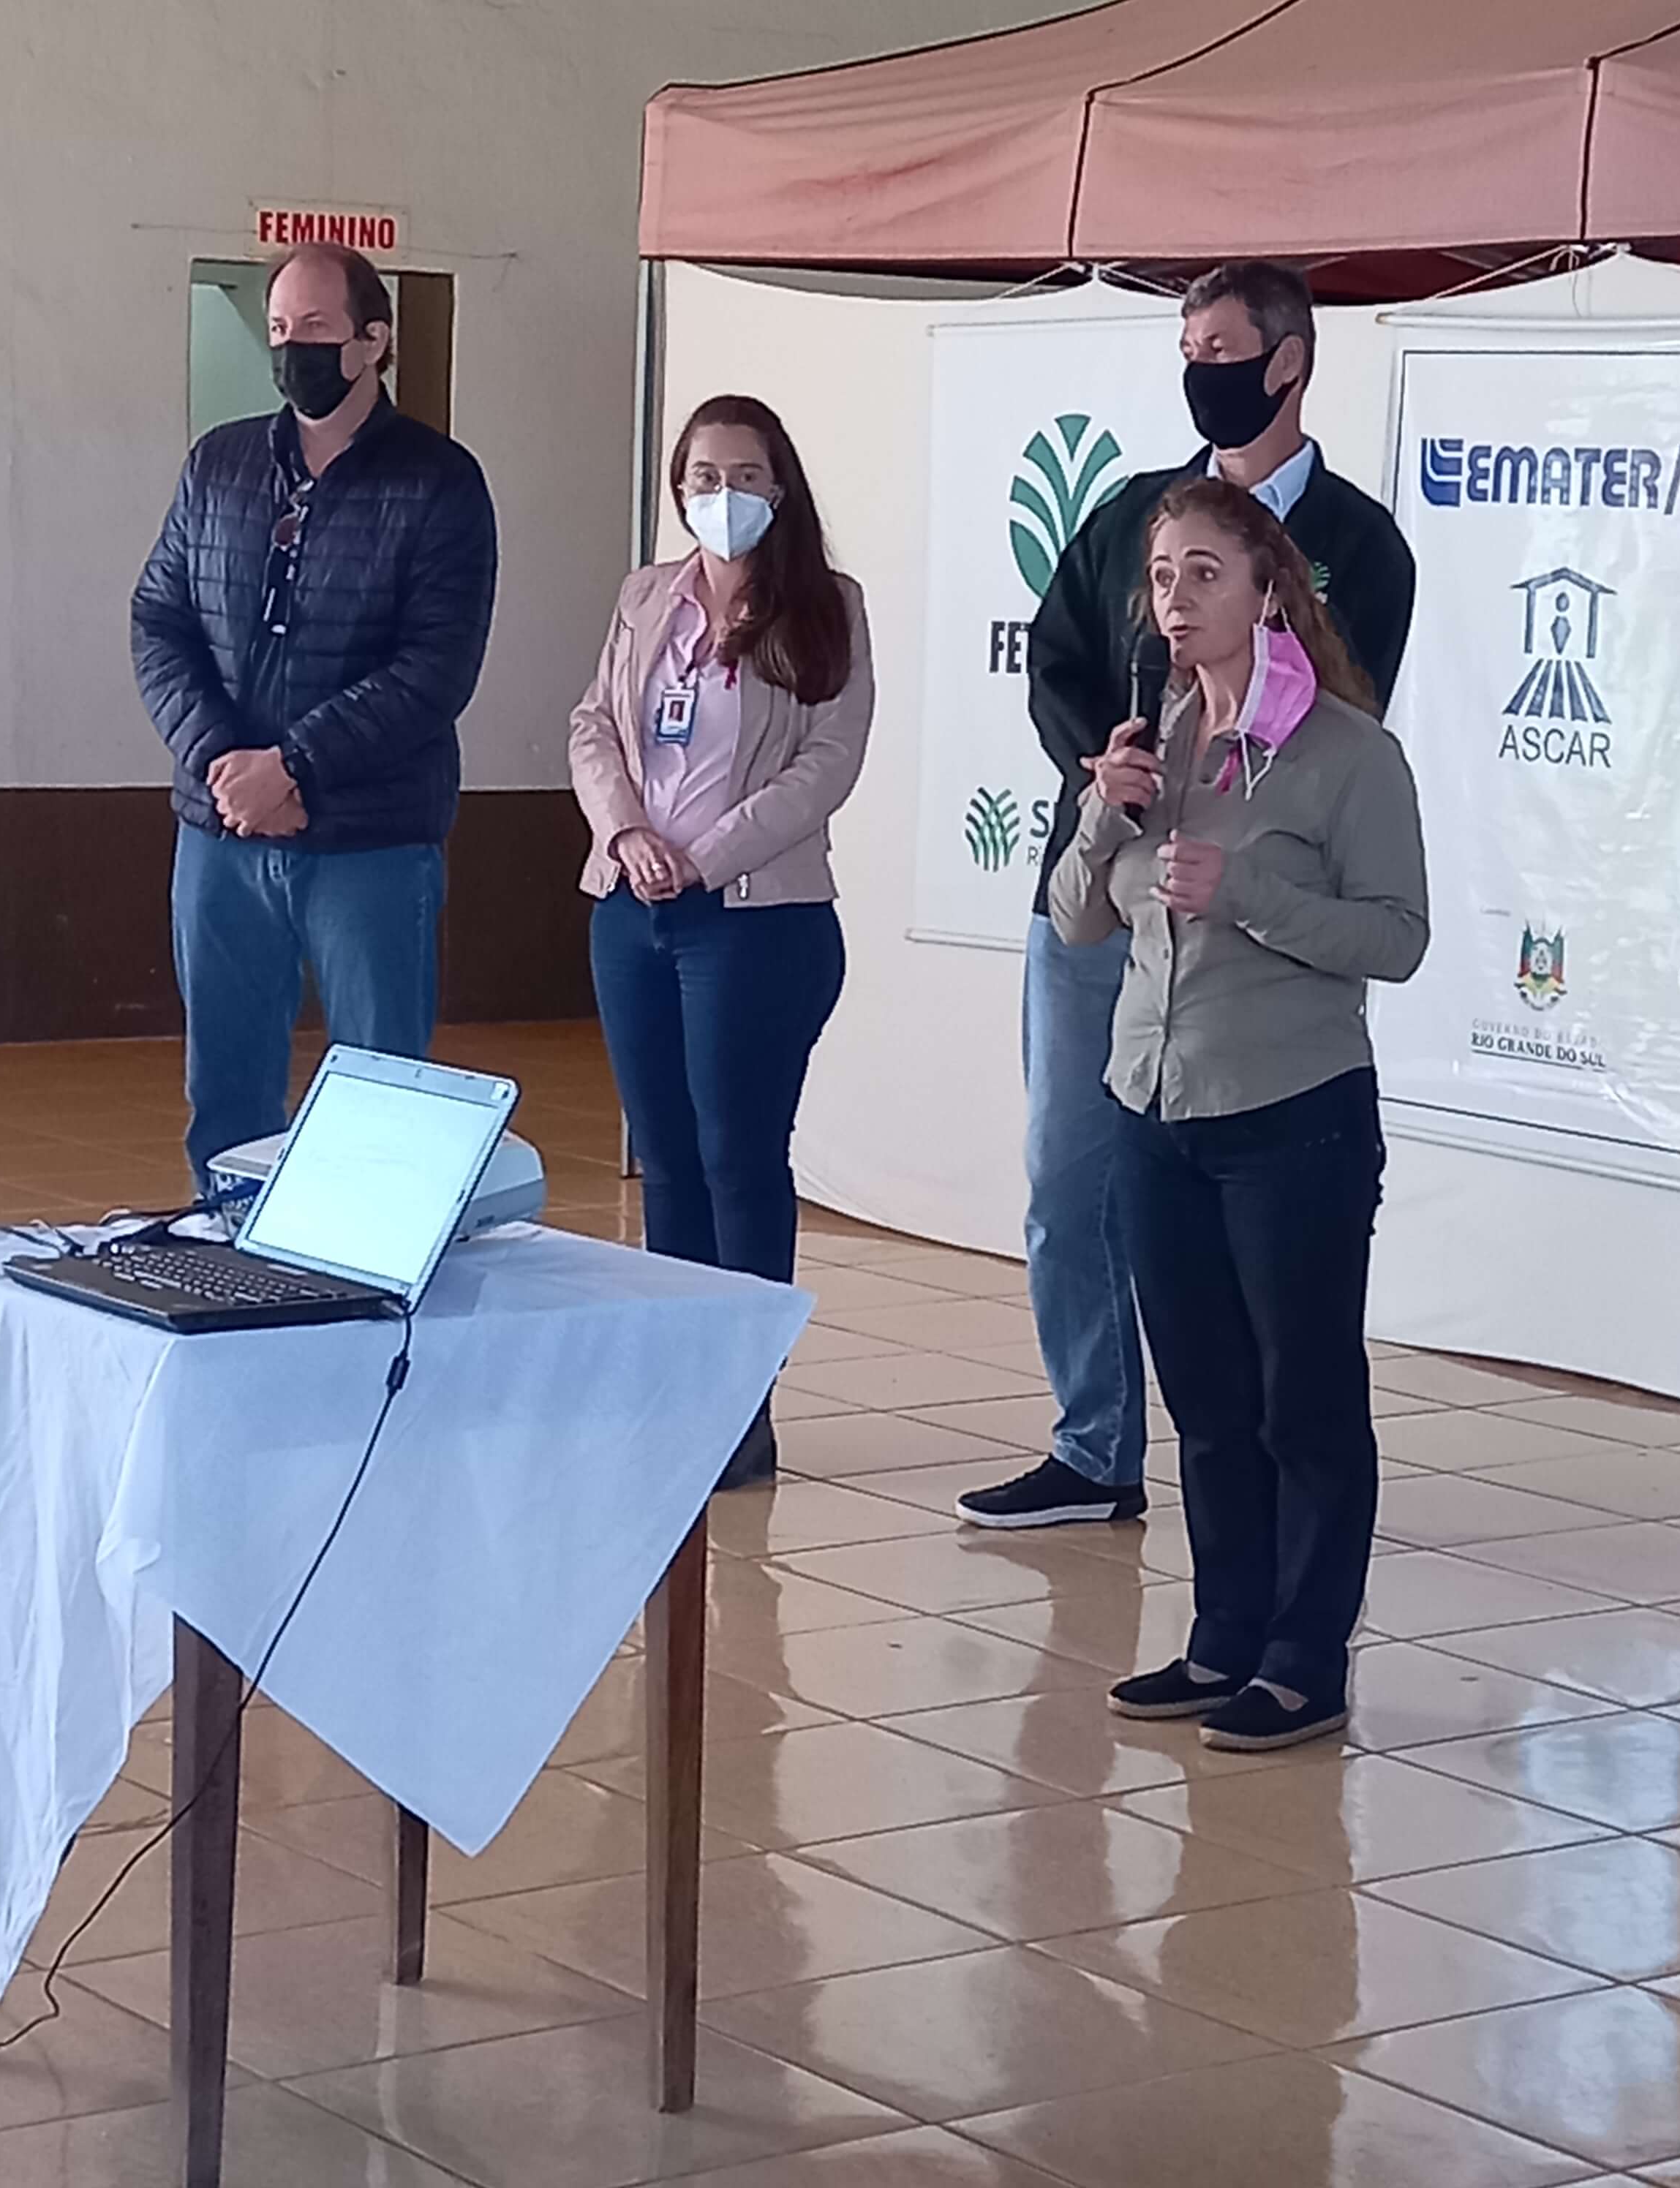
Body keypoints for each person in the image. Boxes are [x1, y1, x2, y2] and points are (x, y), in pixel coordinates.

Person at [959, 260, 1417, 1530]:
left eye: (1220, 345)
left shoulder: (1361, 546)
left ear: (1286, 362)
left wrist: (1239, 834)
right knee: (1071, 1178)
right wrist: (1105, 771)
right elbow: (1056, 661)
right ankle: (1094, 1443)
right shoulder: (1130, 516)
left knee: (1249, 1225)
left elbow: (1347, 711)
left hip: (1249, 919)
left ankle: (1266, 1467)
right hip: (1113, 880)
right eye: (1184, 346)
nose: (1197, 368)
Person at [1048, 477, 1428, 1750]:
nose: (1177, 602)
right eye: (1162, 578)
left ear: (1273, 591)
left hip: (1291, 1114)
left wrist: (1251, 896)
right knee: (1203, 1397)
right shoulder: (1156, 740)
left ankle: (1305, 1658)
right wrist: (1106, 804)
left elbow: (1398, 940)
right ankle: (1224, 1639)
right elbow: (1075, 917)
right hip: (1156, 1108)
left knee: (1302, 1397)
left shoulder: (1348, 754)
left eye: (1206, 574)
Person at [132, 242, 498, 1191]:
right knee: (227, 1092)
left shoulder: (439, 481)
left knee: (383, 1095)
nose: (295, 350)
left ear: (374, 341)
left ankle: (369, 1300)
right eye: (282, 331)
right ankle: (226, 1280)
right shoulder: (219, 464)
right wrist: (225, 763)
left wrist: (295, 767)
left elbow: (435, 670)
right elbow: (160, 620)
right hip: (221, 834)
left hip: (370, 840)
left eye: (319, 331)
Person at [569, 396, 872, 1489]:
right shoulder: (647, 597)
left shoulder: (826, 606)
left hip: (757, 919)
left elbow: (827, 764)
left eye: (745, 475)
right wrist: (629, 832)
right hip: (633, 905)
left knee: (739, 1160)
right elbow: (594, 725)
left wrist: (708, 851)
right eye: (703, 476)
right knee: (668, 1167)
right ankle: (678, 1388)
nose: (723, 495)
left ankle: (743, 1410)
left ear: (779, 487)